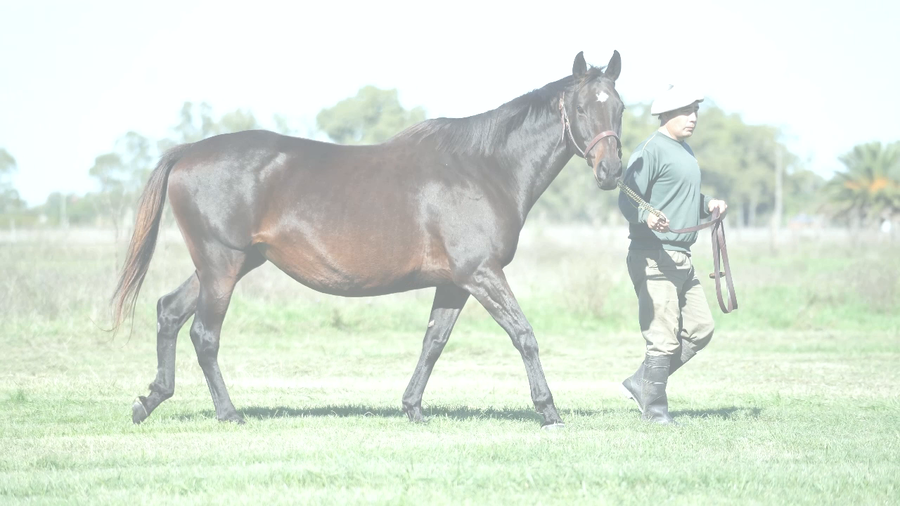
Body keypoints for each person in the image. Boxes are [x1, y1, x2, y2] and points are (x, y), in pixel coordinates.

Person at [617, 85, 728, 425]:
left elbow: (683, 196)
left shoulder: (685, 151)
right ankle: (655, 412)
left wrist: (707, 203)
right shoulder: (650, 150)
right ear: (665, 114)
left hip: (682, 256)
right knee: (662, 337)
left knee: (700, 328)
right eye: (685, 111)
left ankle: (641, 382)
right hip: (653, 255)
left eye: (696, 111)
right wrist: (646, 215)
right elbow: (627, 197)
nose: (693, 117)